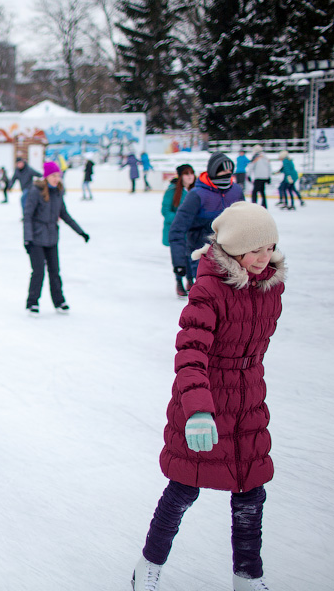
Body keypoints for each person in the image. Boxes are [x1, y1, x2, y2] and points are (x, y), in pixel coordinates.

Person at [131, 202, 285, 591]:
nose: (263, 257)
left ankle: (248, 578)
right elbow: (191, 353)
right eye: (255, 249)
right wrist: (199, 410)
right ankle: (147, 565)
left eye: (269, 247)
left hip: (248, 402)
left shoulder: (270, 287)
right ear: (233, 248)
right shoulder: (208, 289)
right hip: (204, 402)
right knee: (183, 488)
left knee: (251, 497)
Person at [23, 161, 89, 316]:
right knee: (38, 272)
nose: (56, 178)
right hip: (36, 238)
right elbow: (27, 216)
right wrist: (27, 239)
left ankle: (59, 301)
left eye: (58, 175)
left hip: (52, 238)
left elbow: (64, 215)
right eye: (53, 175)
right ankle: (32, 302)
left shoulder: (58, 191)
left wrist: (81, 232)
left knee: (55, 272)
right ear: (46, 176)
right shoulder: (36, 191)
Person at [169, 152, 244, 281]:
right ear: (214, 171)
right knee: (208, 296)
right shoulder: (197, 195)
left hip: (232, 254)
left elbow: (246, 221)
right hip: (202, 254)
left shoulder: (236, 191)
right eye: (223, 171)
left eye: (230, 170)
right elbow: (177, 229)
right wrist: (179, 262)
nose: (227, 174)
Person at [162, 164, 196, 298]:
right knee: (179, 257)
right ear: (181, 176)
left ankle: (190, 281)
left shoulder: (197, 191)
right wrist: (180, 220)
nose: (190, 177)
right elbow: (165, 210)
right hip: (177, 231)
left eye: (192, 173)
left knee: (191, 257)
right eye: (187, 174)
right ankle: (179, 282)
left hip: (192, 231)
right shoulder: (172, 191)